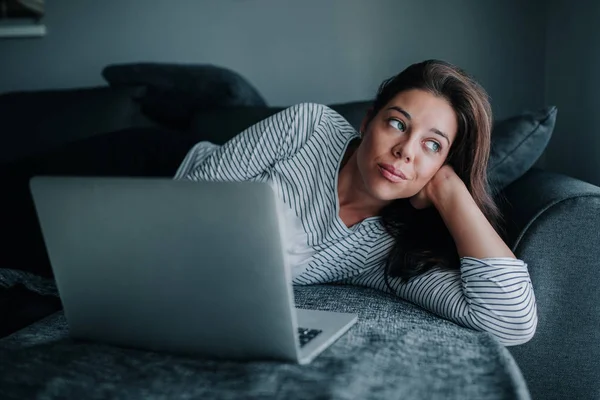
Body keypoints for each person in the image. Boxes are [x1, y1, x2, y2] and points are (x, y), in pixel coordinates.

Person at [1, 59, 537, 345]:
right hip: (149, 169)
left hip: (139, 245)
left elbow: (511, 323)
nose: (404, 150)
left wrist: (449, 193)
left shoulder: (389, 254)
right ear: (370, 120)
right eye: (398, 122)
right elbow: (189, 209)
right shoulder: (310, 126)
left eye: (432, 145)